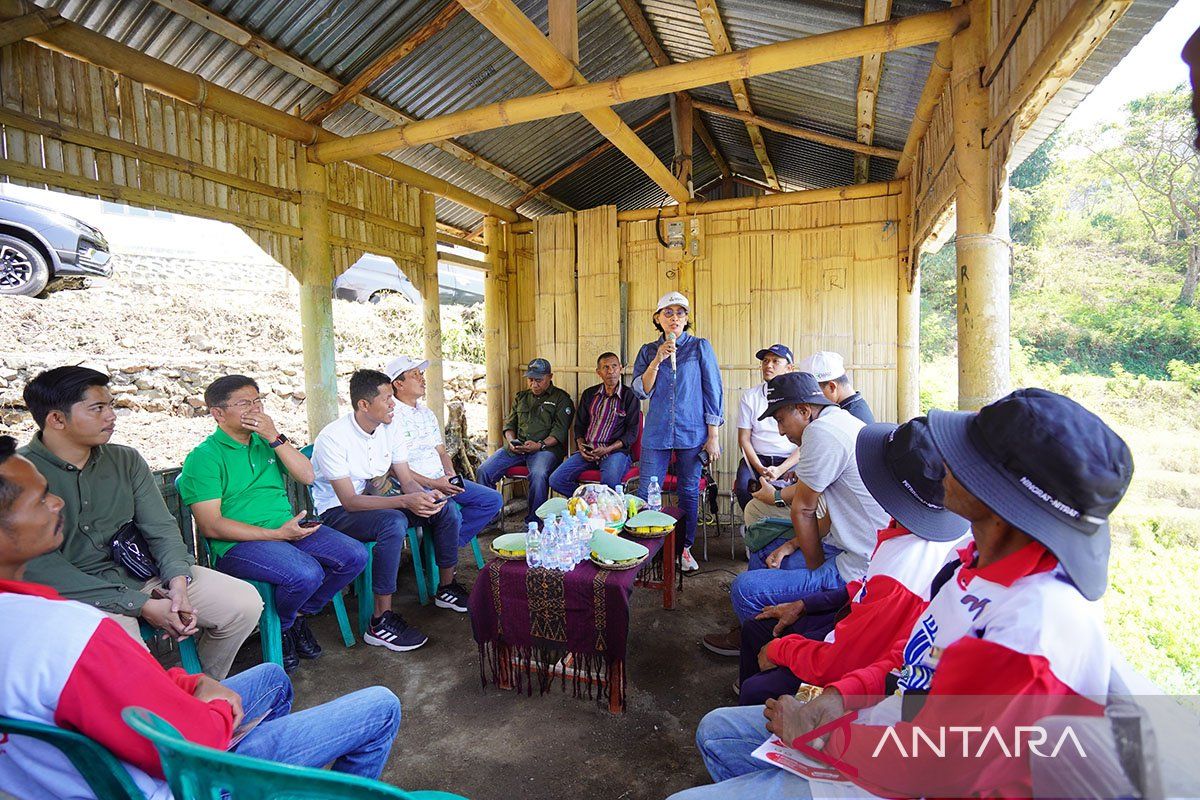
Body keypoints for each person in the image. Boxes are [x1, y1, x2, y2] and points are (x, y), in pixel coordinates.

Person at [670, 388, 1132, 800]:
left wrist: (821, 735)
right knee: (717, 731)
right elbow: (910, 667)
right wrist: (835, 700)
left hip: (900, 776)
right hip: (880, 727)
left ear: (998, 496)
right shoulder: (972, 562)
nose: (944, 461)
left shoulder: (1032, 634)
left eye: (966, 454)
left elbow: (936, 766)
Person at [0, 436, 402, 799]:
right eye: (38, 500)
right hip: (182, 782)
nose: (57, 503)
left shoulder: (29, 620)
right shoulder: (72, 634)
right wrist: (218, 709)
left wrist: (186, 681)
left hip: (83, 767)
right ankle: (241, 785)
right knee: (381, 705)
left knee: (273, 678)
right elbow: (185, 743)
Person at [19, 367, 261, 680]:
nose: (111, 416)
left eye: (111, 406)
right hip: (81, 594)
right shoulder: (17, 473)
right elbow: (40, 568)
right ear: (56, 419)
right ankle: (158, 709)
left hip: (144, 573)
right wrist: (138, 603)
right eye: (98, 408)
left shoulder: (125, 460)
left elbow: (161, 528)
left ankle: (199, 690)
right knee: (129, 661)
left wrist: (177, 582)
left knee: (243, 604)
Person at [735, 417, 969, 706]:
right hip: (849, 627)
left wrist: (780, 650)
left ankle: (756, 733)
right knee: (755, 630)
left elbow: (842, 661)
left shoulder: (903, 570)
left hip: (855, 670)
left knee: (756, 688)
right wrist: (805, 604)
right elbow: (864, 587)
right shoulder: (906, 532)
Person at [179, 375, 368, 673]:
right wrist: (276, 534)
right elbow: (211, 526)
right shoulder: (203, 459)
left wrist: (274, 437)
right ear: (218, 413)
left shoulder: (265, 442)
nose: (255, 409)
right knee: (306, 573)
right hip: (239, 544)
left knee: (355, 556)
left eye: (258, 401)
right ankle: (284, 627)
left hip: (286, 528)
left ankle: (289, 620)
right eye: (244, 403)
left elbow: (307, 476)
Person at [702, 372, 886, 656]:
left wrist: (815, 582)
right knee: (765, 548)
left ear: (803, 410)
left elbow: (804, 508)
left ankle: (771, 653)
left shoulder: (821, 432)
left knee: (743, 588)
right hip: (848, 548)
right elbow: (827, 516)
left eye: (780, 420)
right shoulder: (840, 421)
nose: (779, 430)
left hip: (859, 568)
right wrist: (789, 546)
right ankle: (755, 629)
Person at [311, 369, 462, 653]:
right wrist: (406, 501)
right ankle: (380, 622)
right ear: (363, 405)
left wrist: (425, 496)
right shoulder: (332, 437)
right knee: (392, 522)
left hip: (378, 501)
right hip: (338, 512)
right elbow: (349, 501)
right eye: (387, 399)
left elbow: (405, 480)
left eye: (393, 397)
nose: (394, 404)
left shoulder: (390, 428)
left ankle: (447, 588)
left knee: (444, 507)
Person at [631, 291, 724, 572]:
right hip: (657, 432)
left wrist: (713, 436)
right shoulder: (648, 351)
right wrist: (657, 359)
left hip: (692, 432)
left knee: (687, 491)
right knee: (648, 490)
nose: (674, 318)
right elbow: (641, 390)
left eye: (680, 313)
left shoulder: (699, 348)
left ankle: (684, 548)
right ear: (657, 319)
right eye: (668, 313)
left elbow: (713, 391)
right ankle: (651, 549)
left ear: (686, 319)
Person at [386, 355, 503, 553]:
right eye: (415, 375)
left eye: (421, 373)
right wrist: (434, 484)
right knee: (451, 515)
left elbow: (441, 452)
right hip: (411, 485)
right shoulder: (390, 416)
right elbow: (393, 469)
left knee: (492, 500)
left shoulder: (426, 413)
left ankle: (438, 549)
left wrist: (450, 476)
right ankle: (442, 552)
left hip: (440, 479)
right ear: (398, 384)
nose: (422, 378)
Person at [475, 358, 573, 527]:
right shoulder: (521, 397)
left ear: (550, 377)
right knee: (484, 471)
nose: (534, 384)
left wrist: (539, 445)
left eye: (539, 380)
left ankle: (534, 522)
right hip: (517, 448)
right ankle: (489, 518)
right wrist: (512, 441)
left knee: (538, 474)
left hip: (545, 450)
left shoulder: (561, 399)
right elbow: (509, 425)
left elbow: (560, 433)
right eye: (531, 379)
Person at [549, 352, 641, 497]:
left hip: (614, 452)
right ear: (599, 372)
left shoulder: (630, 396)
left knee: (609, 483)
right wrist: (581, 446)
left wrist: (607, 449)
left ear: (621, 369)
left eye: (614, 366)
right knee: (556, 479)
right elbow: (579, 426)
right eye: (605, 367)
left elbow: (632, 433)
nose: (611, 371)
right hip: (589, 451)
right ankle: (589, 502)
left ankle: (604, 512)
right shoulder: (589, 394)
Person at [734, 344, 798, 509]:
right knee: (743, 486)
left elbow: (806, 444)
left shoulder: (799, 398)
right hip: (758, 458)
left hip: (791, 460)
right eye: (765, 361)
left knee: (802, 489)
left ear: (789, 368)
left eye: (776, 361)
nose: (768, 365)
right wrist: (760, 468)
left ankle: (787, 528)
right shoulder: (750, 397)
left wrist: (781, 469)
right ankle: (753, 527)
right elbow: (744, 439)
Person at [796, 351, 874, 424]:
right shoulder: (852, 408)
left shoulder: (850, 419)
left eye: (813, 393)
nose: (811, 400)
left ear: (832, 387)